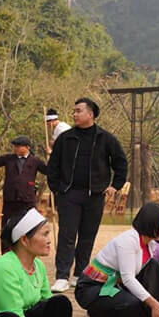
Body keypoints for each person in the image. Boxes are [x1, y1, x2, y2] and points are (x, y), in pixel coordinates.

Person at [46, 97, 128, 293]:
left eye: (78, 111)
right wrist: (56, 188)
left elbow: (121, 163)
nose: (74, 114)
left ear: (90, 114)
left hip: (95, 196)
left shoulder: (106, 138)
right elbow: (53, 165)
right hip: (69, 194)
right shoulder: (65, 138)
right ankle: (62, 277)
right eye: (74, 111)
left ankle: (79, 274)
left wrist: (115, 186)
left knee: (87, 236)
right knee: (67, 235)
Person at [74, 202, 159, 317]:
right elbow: (128, 279)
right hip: (93, 288)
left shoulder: (151, 244)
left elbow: (144, 275)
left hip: (117, 284)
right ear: (148, 222)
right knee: (133, 306)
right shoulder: (128, 241)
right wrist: (154, 304)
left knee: (154, 266)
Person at [0, 135, 48, 239]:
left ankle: (27, 247)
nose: (16, 148)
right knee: (7, 228)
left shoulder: (35, 161)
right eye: (15, 146)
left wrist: (51, 155)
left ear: (27, 147)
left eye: (19, 146)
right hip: (10, 199)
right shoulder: (9, 159)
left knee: (30, 227)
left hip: (28, 200)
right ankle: (6, 248)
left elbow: (48, 170)